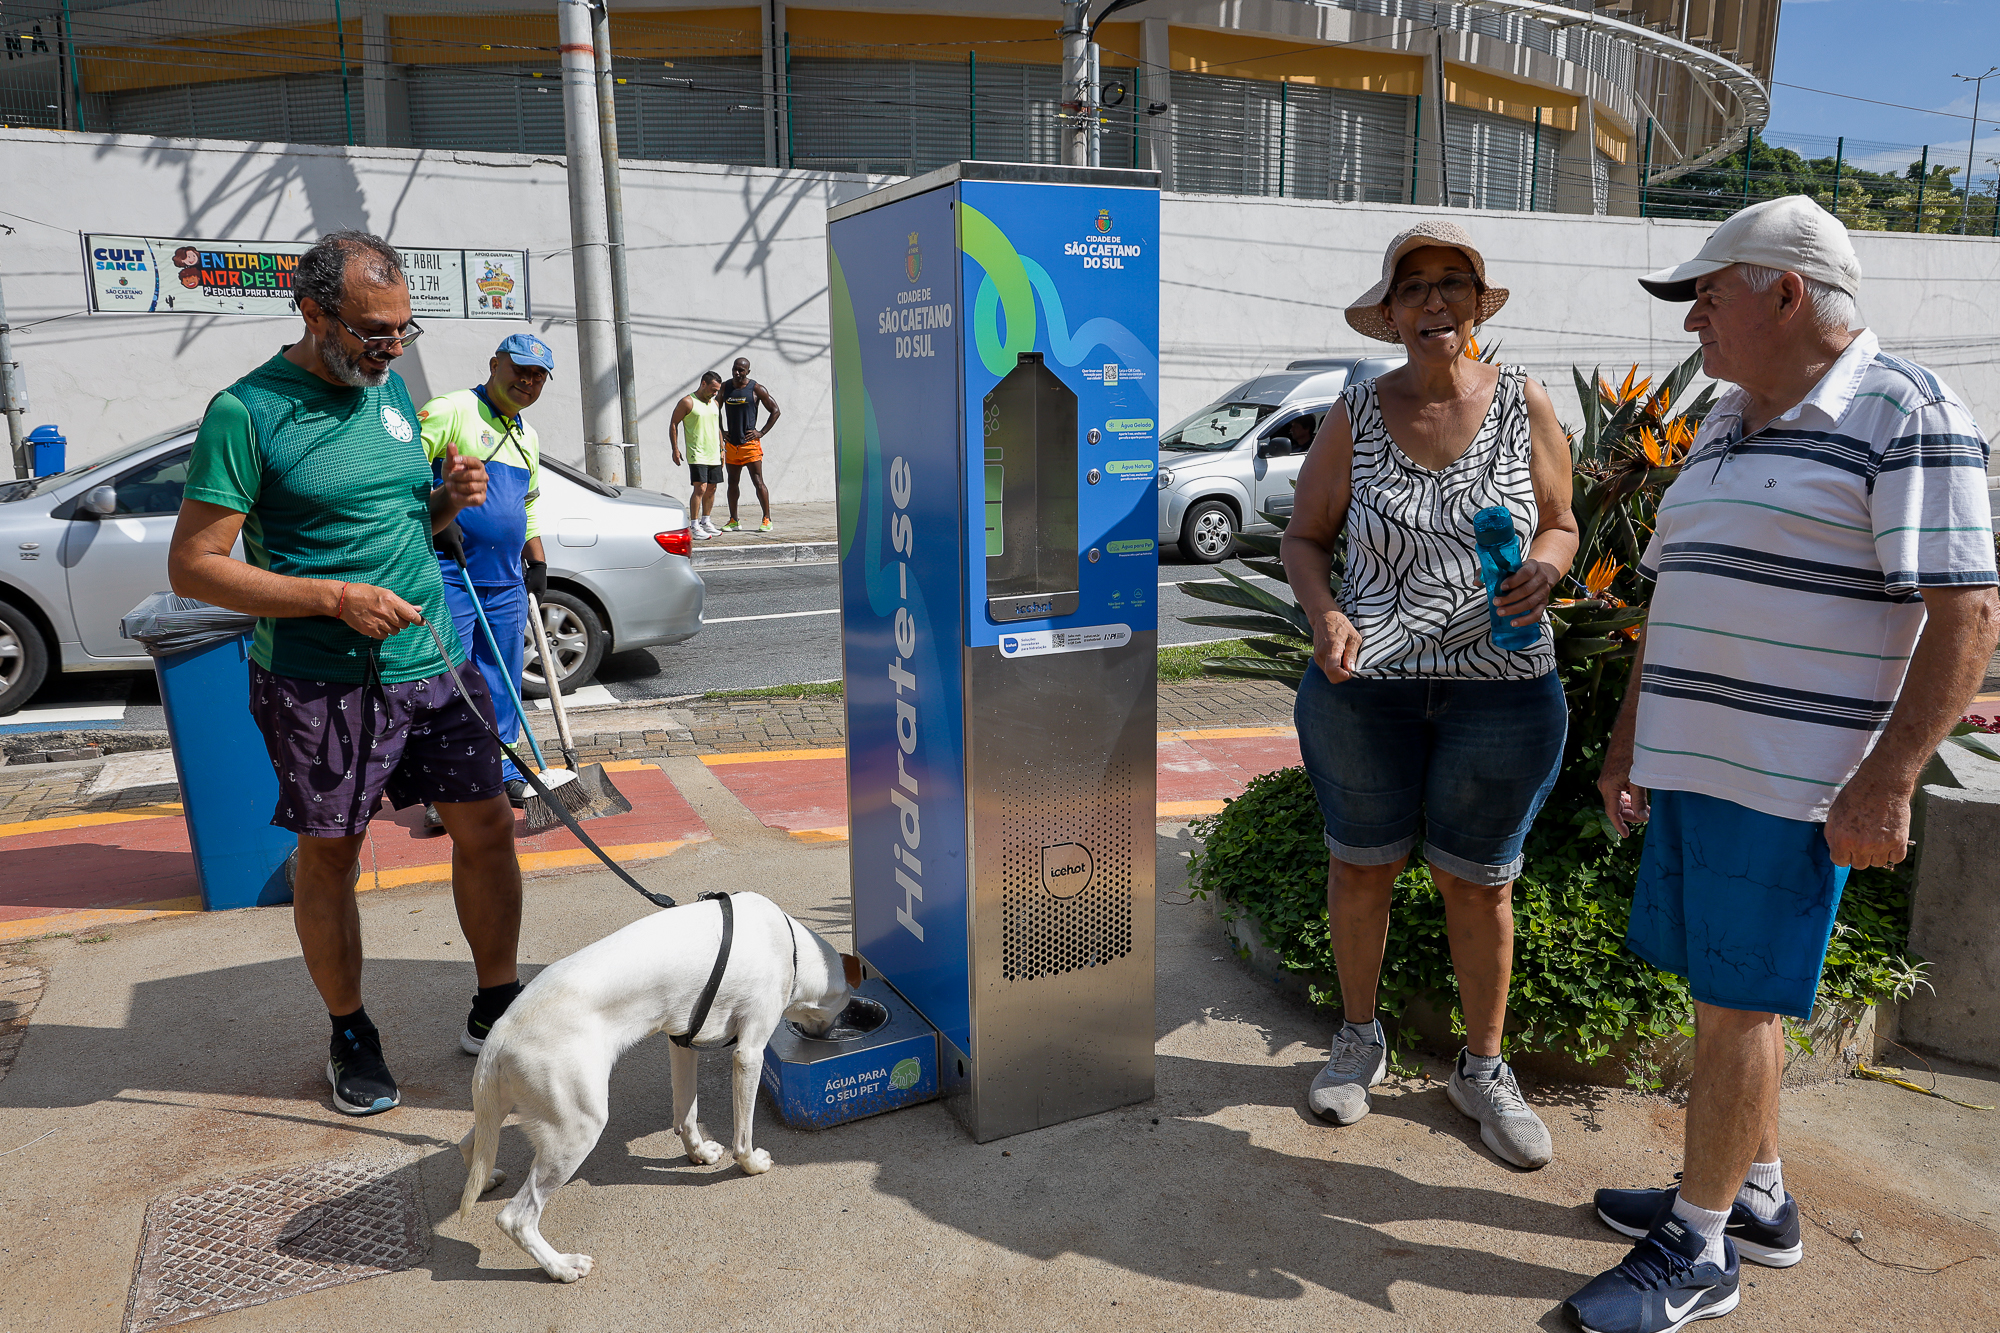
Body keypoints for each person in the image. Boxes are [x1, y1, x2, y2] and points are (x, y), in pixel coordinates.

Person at [1566, 196, 1999, 1332]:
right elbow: (1671, 597)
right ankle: (1753, 1197)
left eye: (1706, 296)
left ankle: (1697, 1249)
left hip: (1788, 781)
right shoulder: (1721, 421)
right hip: (1697, 769)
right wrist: (1627, 739)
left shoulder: (1907, 411)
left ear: (1784, 292)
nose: (1691, 322)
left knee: (1735, 1009)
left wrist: (1889, 777)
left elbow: (1967, 616)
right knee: (1718, 993)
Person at [167, 230, 524, 1119]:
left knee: (486, 824)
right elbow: (195, 565)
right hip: (322, 680)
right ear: (314, 312)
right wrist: (331, 597)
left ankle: (497, 1002)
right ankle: (351, 1031)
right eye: (372, 330)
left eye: (403, 328)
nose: (392, 346)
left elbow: (401, 515)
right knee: (333, 854)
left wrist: (447, 501)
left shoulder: (392, 391)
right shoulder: (246, 412)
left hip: (433, 659)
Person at [1281, 221, 1578, 1169]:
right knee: (1362, 866)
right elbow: (1303, 538)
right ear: (1394, 315)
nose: (1435, 301)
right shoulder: (1356, 414)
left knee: (1480, 881)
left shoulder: (1524, 402)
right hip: (1364, 690)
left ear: (1476, 309)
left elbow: (1564, 521)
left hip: (1503, 693)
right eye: (1415, 289)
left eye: (1453, 284)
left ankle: (1481, 1069)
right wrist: (1324, 613)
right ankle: (1359, 1037)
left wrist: (1544, 565)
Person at [415, 332, 555, 824]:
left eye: (538, 376)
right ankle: (443, 787)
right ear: (495, 364)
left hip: (505, 582)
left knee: (502, 677)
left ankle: (505, 768)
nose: (528, 381)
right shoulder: (451, 409)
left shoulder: (528, 436)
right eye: (520, 369)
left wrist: (536, 560)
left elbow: (527, 504)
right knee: (448, 679)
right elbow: (404, 469)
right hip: (447, 574)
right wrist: (441, 515)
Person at [719, 356, 780, 532]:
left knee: (758, 481)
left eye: (741, 370)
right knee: (732, 483)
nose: (737, 373)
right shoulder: (725, 387)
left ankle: (767, 519)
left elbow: (775, 411)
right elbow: (716, 408)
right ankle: (734, 520)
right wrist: (722, 431)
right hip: (732, 446)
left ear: (748, 372)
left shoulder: (756, 388)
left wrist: (761, 432)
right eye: (734, 369)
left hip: (750, 446)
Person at [671, 371, 725, 538]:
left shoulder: (715, 404)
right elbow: (674, 423)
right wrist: (675, 448)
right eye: (713, 389)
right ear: (703, 384)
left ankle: (706, 521)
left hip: (713, 452)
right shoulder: (688, 402)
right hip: (697, 452)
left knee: (712, 488)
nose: (715, 393)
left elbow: (717, 427)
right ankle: (693, 525)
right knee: (700, 487)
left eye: (717, 391)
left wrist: (722, 449)